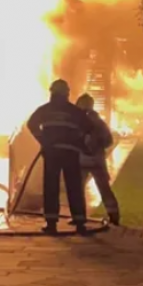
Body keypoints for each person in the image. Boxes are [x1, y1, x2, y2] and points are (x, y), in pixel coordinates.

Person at [27, 79, 93, 234]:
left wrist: (43, 140)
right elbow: (88, 127)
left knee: (51, 187)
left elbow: (31, 124)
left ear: (52, 93)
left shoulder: (45, 110)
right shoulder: (74, 111)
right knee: (74, 187)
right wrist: (79, 141)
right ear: (67, 93)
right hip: (70, 153)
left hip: (52, 153)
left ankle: (51, 223)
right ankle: (80, 222)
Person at [76, 93, 121, 226]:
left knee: (78, 190)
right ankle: (114, 215)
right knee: (104, 188)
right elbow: (108, 141)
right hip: (97, 161)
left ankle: (79, 217)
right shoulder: (99, 122)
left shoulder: (78, 122)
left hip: (83, 161)